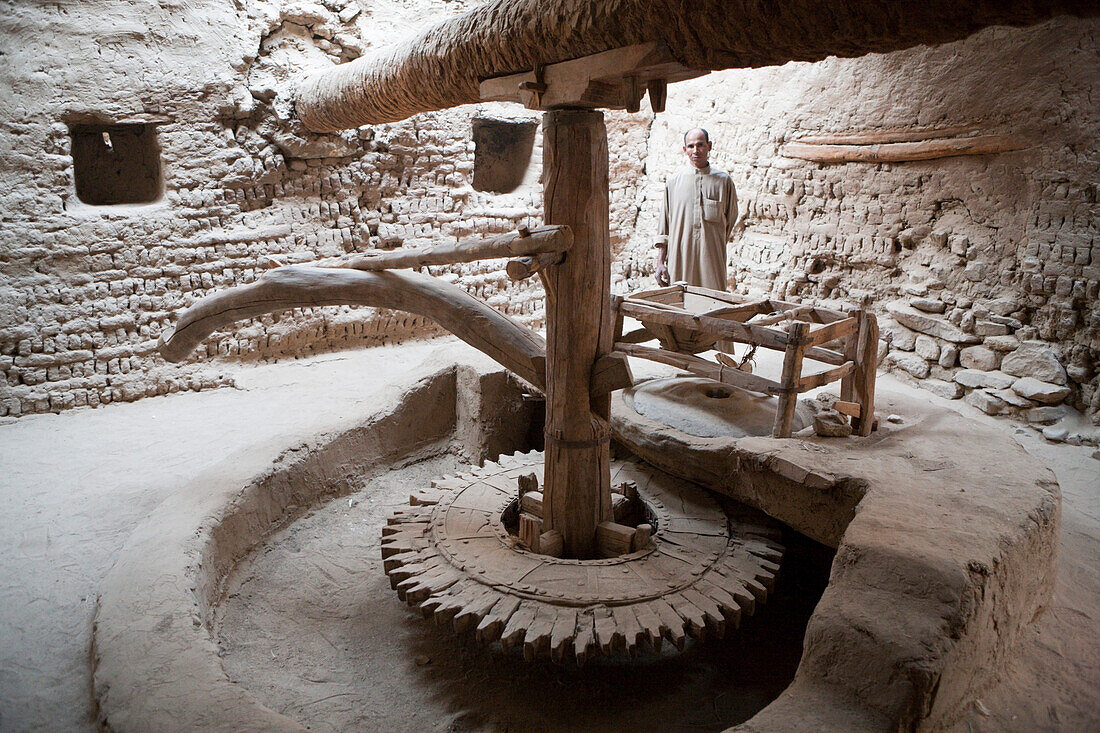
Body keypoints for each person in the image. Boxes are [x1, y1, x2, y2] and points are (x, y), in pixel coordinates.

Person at [654, 128, 738, 290]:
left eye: (700, 145)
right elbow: (664, 226)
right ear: (685, 150)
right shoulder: (673, 182)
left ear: (709, 146)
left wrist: (713, 243)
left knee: (714, 301)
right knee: (679, 301)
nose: (696, 150)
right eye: (691, 146)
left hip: (712, 258)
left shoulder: (723, 182)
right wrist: (660, 262)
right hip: (680, 259)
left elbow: (730, 219)